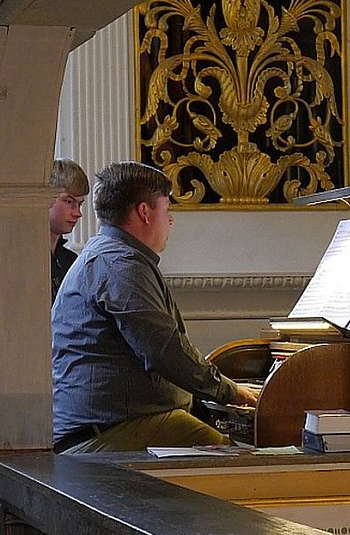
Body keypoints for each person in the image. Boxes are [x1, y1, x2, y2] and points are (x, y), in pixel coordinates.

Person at [52, 161, 257, 453]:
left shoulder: (112, 255)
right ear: (144, 212)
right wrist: (231, 391)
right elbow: (163, 350)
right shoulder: (121, 264)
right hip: (105, 432)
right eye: (167, 208)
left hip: (112, 422)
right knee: (241, 463)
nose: (170, 220)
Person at [49, 158, 90, 304]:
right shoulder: (26, 259)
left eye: (79, 204)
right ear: (46, 198)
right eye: (69, 202)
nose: (78, 213)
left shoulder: (72, 261)